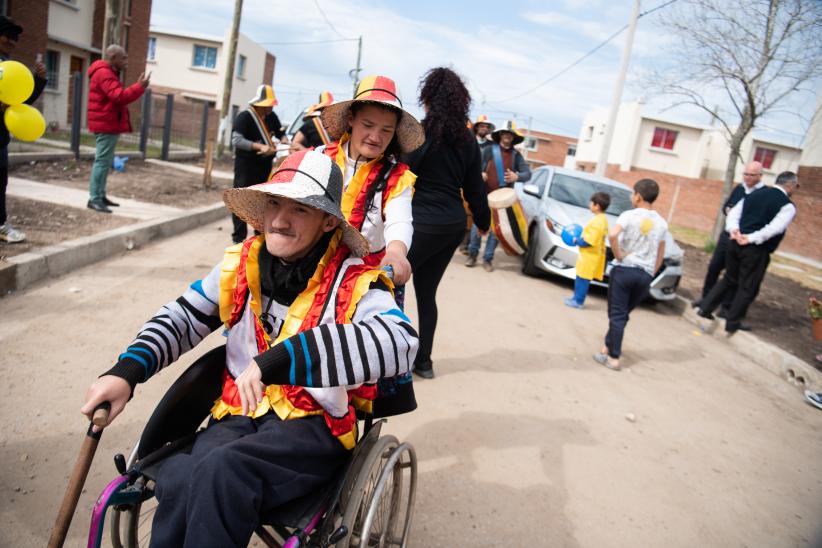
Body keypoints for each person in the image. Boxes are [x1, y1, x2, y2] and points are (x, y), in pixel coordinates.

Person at [80, 150, 419, 547]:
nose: (279, 219)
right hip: (237, 415)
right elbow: (183, 318)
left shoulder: (357, 279)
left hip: (312, 428)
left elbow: (400, 344)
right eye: (274, 202)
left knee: (224, 471)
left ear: (329, 220)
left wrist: (284, 358)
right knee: (180, 475)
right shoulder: (241, 262)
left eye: (300, 209)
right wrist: (126, 372)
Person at [403, 67, 491, 379]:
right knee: (427, 294)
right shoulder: (467, 139)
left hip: (421, 223)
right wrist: (483, 222)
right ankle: (423, 363)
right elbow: (475, 189)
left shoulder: (420, 131)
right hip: (452, 225)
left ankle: (391, 365)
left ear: (427, 96)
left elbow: (403, 171)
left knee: (384, 287)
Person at [319, 75, 423, 285]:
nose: (376, 137)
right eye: (368, 125)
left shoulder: (397, 177)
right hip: (311, 268)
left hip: (361, 278)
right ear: (351, 118)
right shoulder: (319, 158)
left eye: (386, 130)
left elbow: (400, 220)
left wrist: (396, 251)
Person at [698, 171, 799, 334]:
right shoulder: (787, 205)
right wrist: (750, 238)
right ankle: (732, 322)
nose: (796, 189)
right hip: (755, 249)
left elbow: (734, 214)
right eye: (796, 186)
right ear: (790, 185)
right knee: (747, 286)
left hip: (734, 243)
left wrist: (734, 231)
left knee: (729, 279)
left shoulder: (756, 193)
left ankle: (705, 308)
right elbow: (774, 228)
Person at [594, 178, 668, 371]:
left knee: (617, 315)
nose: (631, 197)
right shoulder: (661, 223)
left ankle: (614, 357)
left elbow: (612, 235)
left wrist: (618, 255)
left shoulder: (629, 215)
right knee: (622, 314)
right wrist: (651, 272)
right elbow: (660, 251)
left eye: (632, 193)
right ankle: (606, 347)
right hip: (644, 275)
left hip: (625, 271)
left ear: (638, 196)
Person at [694, 161, 765, 314]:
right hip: (727, 236)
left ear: (760, 175)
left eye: (752, 175)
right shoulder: (739, 188)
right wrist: (729, 210)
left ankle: (725, 307)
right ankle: (705, 298)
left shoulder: (763, 193)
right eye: (745, 174)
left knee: (733, 275)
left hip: (743, 239)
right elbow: (726, 206)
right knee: (714, 267)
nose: (747, 177)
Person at [0, 16, 47, 242]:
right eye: (8, 36)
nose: (13, 41)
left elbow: (20, 102)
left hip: (0, 137)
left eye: (15, 38)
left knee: (0, 181)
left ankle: (0, 226)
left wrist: (38, 81)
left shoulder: (8, 67)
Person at [86, 45, 149, 213]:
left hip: (108, 122)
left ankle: (100, 195)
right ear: (113, 57)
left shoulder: (107, 72)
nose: (126, 62)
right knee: (102, 161)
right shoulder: (104, 73)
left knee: (105, 161)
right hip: (105, 123)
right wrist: (139, 87)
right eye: (123, 58)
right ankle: (94, 198)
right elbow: (119, 96)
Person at [466, 120, 531, 272]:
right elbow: (475, 165)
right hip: (484, 195)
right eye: (505, 133)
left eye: (510, 134)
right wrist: (480, 173)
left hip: (502, 201)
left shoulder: (516, 155)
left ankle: (487, 259)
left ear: (513, 137)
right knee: (477, 227)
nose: (507, 136)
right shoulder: (489, 150)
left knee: (496, 232)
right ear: (500, 135)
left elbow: (527, 173)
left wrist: (517, 176)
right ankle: (472, 255)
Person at [230, 84, 289, 243]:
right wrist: (259, 146)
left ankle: (259, 236)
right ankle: (239, 238)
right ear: (260, 103)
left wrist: (285, 143)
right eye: (268, 105)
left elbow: (281, 134)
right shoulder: (245, 117)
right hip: (246, 167)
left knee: (261, 202)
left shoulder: (272, 117)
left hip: (264, 167)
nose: (270, 108)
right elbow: (237, 140)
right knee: (241, 200)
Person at [564, 192, 611, 309]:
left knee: (583, 280)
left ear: (597, 206)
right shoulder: (602, 219)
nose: (589, 205)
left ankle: (578, 301)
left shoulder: (598, 221)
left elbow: (589, 241)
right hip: (589, 255)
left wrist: (576, 240)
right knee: (580, 277)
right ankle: (575, 298)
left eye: (591, 203)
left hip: (590, 256)